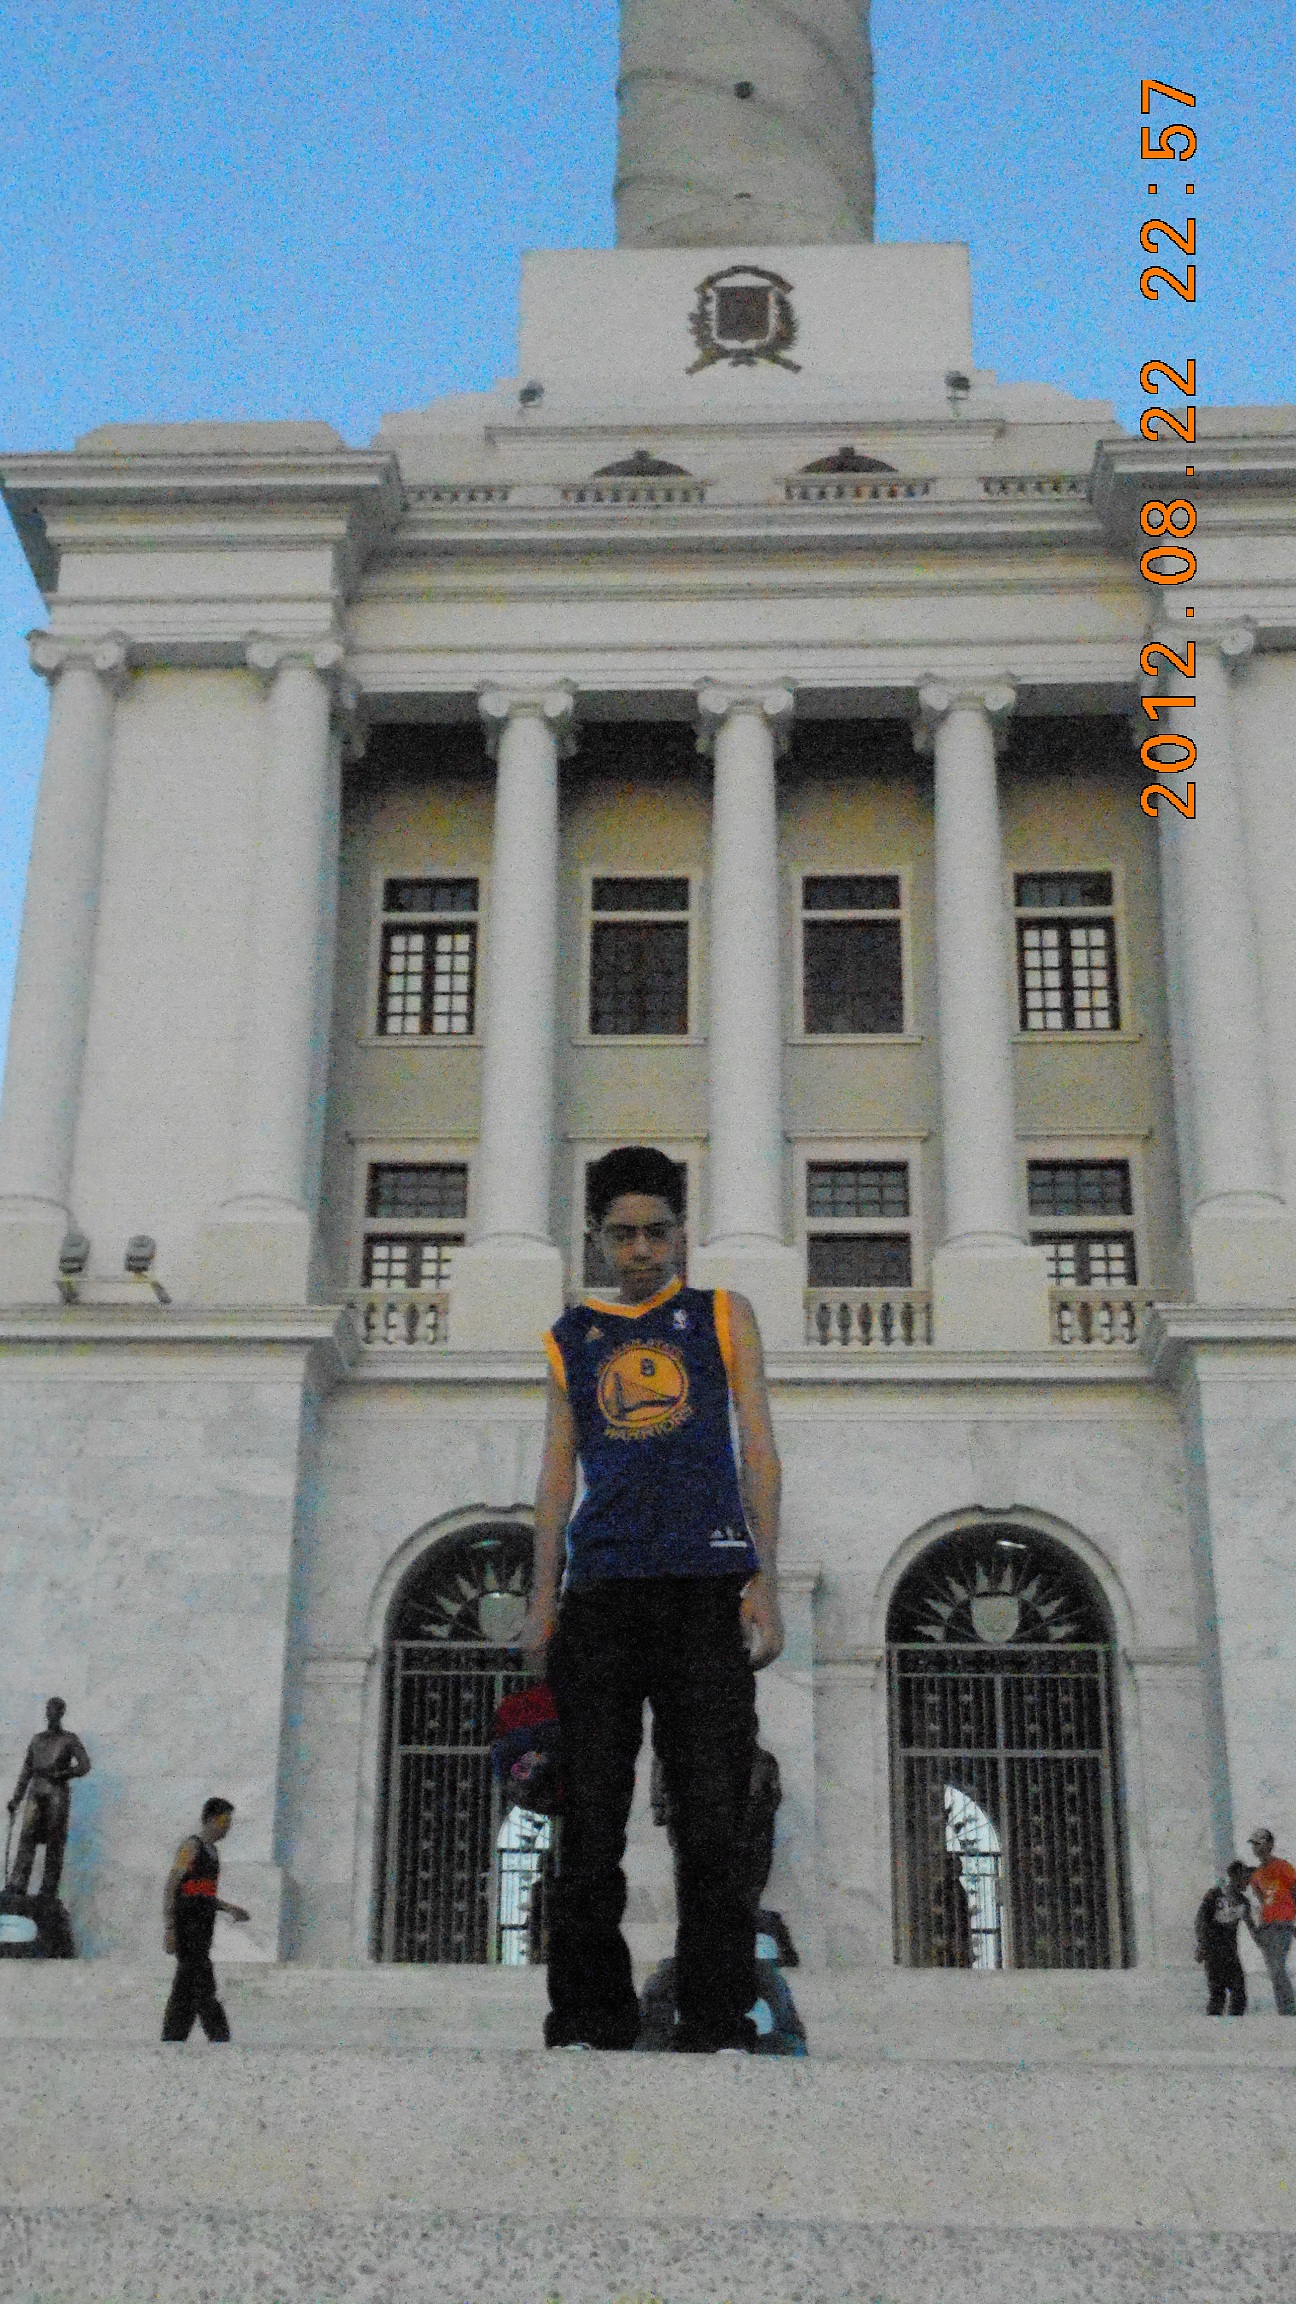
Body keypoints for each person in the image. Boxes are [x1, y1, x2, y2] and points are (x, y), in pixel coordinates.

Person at [516, 1145, 783, 2053]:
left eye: (657, 1233)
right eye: (623, 1234)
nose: (641, 1250)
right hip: (601, 1597)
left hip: (705, 1591)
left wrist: (765, 1579)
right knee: (590, 1823)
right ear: (595, 1237)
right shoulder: (570, 1337)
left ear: (681, 1234)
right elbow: (557, 1475)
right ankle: (588, 2018)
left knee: (712, 1822)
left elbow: (760, 1450)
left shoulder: (722, 1317)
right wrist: (542, 1597)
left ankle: (715, 2019)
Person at [161, 1797, 249, 2042]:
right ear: (210, 1819)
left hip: (203, 1926)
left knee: (186, 1983)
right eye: (223, 1821)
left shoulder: (214, 1853)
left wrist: (228, 1908)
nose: (227, 1827)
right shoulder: (191, 1846)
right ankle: (218, 2034)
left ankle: (174, 2034)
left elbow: (205, 1894)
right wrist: (169, 1927)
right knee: (202, 1980)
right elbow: (172, 1885)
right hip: (186, 1925)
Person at [7, 1698, 91, 1900]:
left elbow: (84, 1765)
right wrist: (16, 1799)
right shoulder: (37, 1740)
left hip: (57, 1793)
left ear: (61, 1713)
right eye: (48, 1709)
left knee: (55, 1841)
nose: (51, 1713)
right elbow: (26, 1770)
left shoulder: (69, 1739)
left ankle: (48, 1890)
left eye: (55, 1710)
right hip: (35, 1791)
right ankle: (18, 1884)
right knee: (27, 1837)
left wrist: (63, 1774)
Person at [1247, 1827, 1296, 2015]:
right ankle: (1285, 2011)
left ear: (1269, 1845)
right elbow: (1261, 1900)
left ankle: (1289, 2009)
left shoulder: (1283, 1867)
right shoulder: (1257, 1874)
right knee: (1273, 1969)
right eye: (1253, 1845)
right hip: (1266, 1927)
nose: (1256, 1848)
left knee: (1277, 1967)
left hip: (1283, 1924)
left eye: (1259, 1844)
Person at [1194, 1860, 1253, 2016]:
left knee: (1239, 1994)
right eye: (1244, 1877)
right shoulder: (1215, 1895)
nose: (1247, 1881)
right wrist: (1202, 1945)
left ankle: (1234, 2026)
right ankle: (1214, 2026)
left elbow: (1252, 1927)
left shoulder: (1244, 1902)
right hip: (1212, 1951)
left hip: (1230, 1953)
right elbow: (1201, 1920)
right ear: (1234, 1877)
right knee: (1217, 1994)